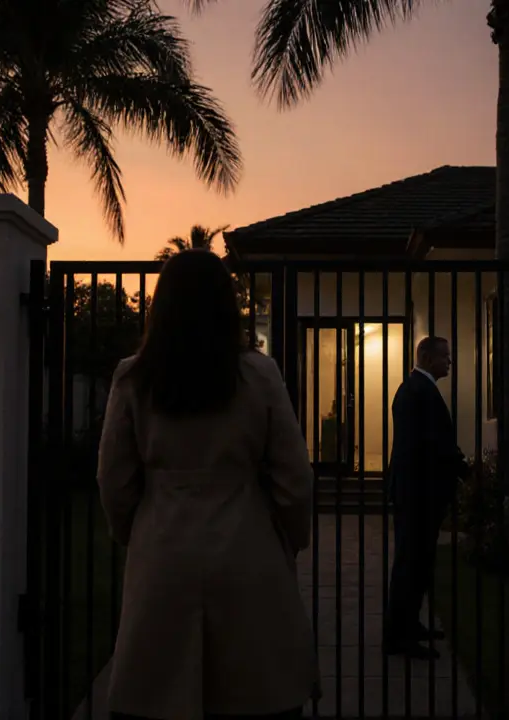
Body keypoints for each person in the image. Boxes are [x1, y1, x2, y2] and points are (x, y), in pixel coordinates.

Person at [96, 249, 318, 720]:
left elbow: (113, 481)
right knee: (257, 696)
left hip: (163, 553)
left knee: (156, 698)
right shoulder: (259, 374)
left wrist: (135, 533)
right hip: (247, 550)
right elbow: (295, 479)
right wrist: (289, 540)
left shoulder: (134, 377)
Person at [384, 336, 470, 659]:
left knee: (418, 563)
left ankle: (409, 624)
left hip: (419, 493)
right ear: (428, 357)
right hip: (417, 494)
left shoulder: (418, 390)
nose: (449, 361)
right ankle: (399, 636)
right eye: (445, 356)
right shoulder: (418, 392)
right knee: (411, 563)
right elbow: (431, 445)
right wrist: (462, 469)